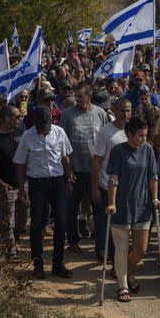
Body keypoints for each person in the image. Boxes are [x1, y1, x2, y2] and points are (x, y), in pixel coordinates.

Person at [105, 116, 160, 302]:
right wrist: (111, 202)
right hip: (121, 206)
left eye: (145, 135)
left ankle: (126, 272)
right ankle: (122, 286)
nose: (144, 139)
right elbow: (113, 178)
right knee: (121, 249)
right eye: (139, 136)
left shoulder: (148, 150)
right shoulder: (118, 151)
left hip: (142, 205)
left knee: (141, 250)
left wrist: (155, 198)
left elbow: (153, 176)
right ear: (129, 134)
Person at [14, 106, 74, 279]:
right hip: (37, 184)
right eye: (40, 126)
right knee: (37, 224)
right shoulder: (27, 137)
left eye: (46, 125)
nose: (43, 129)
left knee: (62, 222)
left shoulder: (59, 132)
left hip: (57, 182)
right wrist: (21, 189)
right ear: (34, 123)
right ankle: (38, 262)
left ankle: (57, 263)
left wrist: (69, 179)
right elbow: (20, 164)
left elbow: (65, 158)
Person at [59, 83, 111, 251]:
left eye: (80, 96)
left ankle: (100, 246)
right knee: (71, 208)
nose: (77, 99)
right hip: (74, 172)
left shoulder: (100, 114)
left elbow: (105, 141)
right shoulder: (67, 115)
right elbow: (62, 144)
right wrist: (68, 171)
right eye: (76, 96)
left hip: (95, 171)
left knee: (99, 209)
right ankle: (73, 242)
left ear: (89, 96)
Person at [91, 98, 132, 261]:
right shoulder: (105, 132)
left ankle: (118, 255)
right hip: (106, 185)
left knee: (122, 225)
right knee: (104, 223)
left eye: (128, 111)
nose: (125, 114)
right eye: (122, 110)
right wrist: (94, 189)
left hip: (127, 187)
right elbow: (96, 161)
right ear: (115, 111)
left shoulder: (133, 132)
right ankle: (103, 249)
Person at [0, 105, 26, 260]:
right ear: (7, 118)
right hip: (4, 185)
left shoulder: (21, 132)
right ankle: (10, 250)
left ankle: (13, 241)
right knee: (7, 219)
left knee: (22, 219)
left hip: (22, 184)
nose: (19, 119)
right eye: (16, 117)